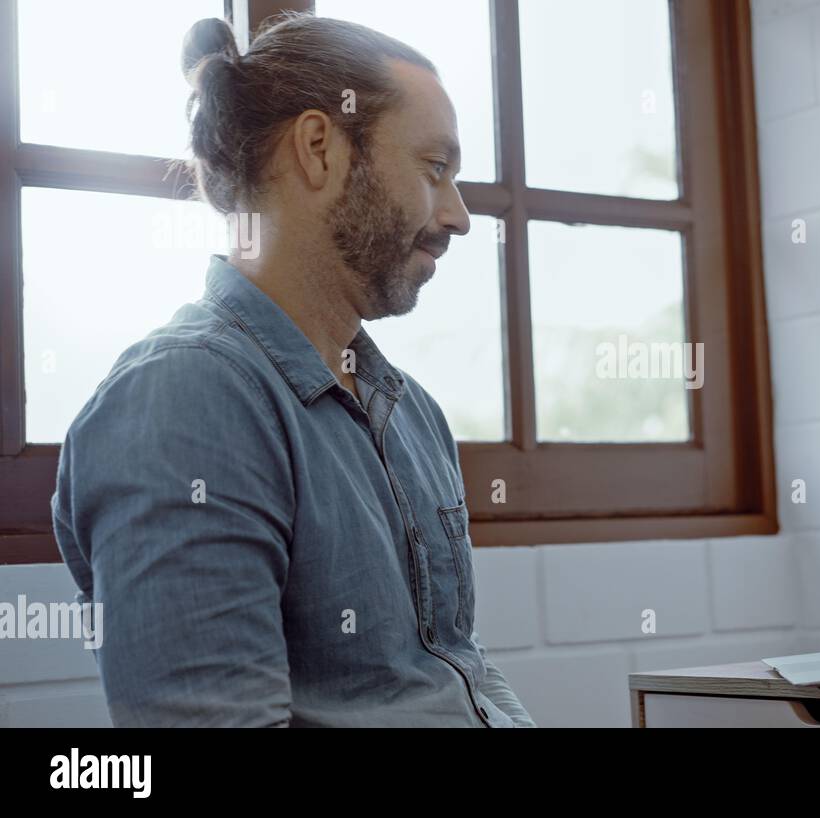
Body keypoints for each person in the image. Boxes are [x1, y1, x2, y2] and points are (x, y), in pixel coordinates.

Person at [50, 12, 534, 727]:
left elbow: (458, 667)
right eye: (435, 169)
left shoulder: (410, 411)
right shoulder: (184, 402)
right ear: (319, 148)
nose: (459, 216)